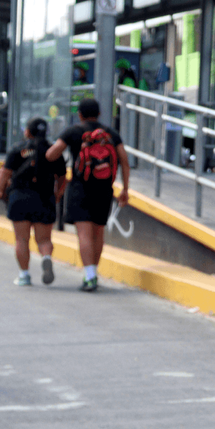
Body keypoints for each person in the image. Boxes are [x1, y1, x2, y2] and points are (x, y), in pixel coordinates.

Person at [46, 98, 131, 292]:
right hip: (104, 189)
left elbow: (51, 154)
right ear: (99, 114)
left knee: (84, 233)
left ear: (80, 114)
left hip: (80, 187)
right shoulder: (110, 133)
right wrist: (125, 189)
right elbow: (124, 161)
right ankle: (94, 273)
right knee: (98, 233)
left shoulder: (73, 131)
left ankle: (90, 276)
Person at [0, 117, 67, 286]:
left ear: (27, 131)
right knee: (44, 239)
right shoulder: (52, 151)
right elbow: (62, 176)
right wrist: (58, 193)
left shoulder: (17, 148)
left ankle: (24, 275)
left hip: (20, 197)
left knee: (21, 239)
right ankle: (46, 257)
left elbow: (4, 172)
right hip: (44, 197)